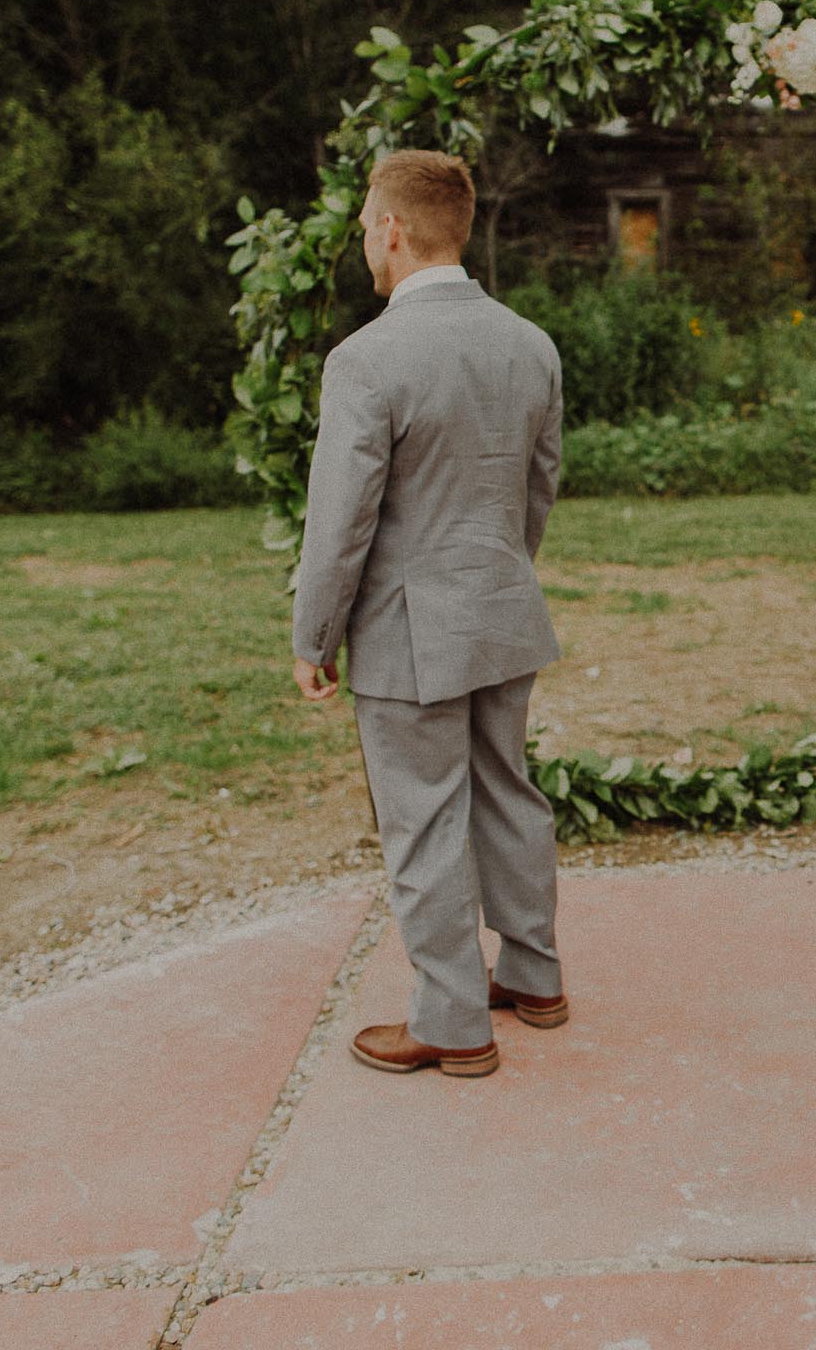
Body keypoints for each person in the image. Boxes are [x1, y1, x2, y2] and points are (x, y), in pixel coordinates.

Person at [289, 148, 569, 1080]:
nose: (367, 237)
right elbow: (540, 488)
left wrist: (313, 636)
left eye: (370, 222)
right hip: (502, 607)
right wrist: (494, 574)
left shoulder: (367, 359)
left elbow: (340, 523)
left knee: (421, 817)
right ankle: (534, 976)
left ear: (393, 230)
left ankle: (452, 1022)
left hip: (412, 628)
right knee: (508, 791)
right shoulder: (529, 343)